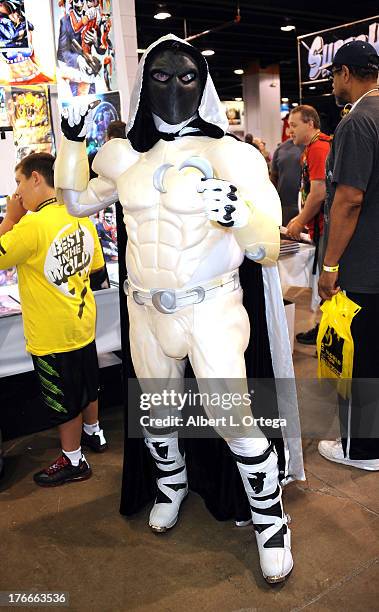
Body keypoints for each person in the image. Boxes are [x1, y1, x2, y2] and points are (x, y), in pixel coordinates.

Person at [55, 34, 304, 584]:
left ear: (204, 84)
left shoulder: (229, 154)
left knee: (232, 417)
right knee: (159, 414)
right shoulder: (125, 157)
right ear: (146, 83)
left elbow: (266, 245)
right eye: (161, 77)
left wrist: (238, 211)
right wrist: (72, 144)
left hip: (210, 307)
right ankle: (170, 487)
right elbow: (74, 203)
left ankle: (270, 521)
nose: (172, 87)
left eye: (186, 76)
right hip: (145, 308)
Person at [0, 153, 108, 486]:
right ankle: (95, 433)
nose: (17, 192)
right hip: (82, 322)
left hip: (51, 333)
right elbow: (95, 269)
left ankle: (74, 460)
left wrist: (11, 217)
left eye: (19, 182)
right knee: (88, 386)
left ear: (36, 178)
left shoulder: (31, 224)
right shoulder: (80, 215)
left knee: (64, 400)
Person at [318, 40, 379, 471]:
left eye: (334, 76)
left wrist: (329, 264)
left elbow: (348, 199)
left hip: (364, 264)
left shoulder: (357, 121)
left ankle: (363, 449)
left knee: (359, 357)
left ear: (344, 72)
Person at [286, 105, 331, 345]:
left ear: (310, 124)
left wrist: (300, 220)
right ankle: (323, 329)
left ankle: (327, 333)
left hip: (327, 228)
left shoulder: (318, 148)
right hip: (321, 226)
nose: (289, 131)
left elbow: (319, 192)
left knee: (327, 283)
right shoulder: (314, 147)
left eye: (294, 125)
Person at [271, 138, 304, 225]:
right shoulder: (281, 149)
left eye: (295, 125)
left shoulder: (315, 147)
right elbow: (273, 177)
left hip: (308, 206)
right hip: (284, 206)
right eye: (291, 125)